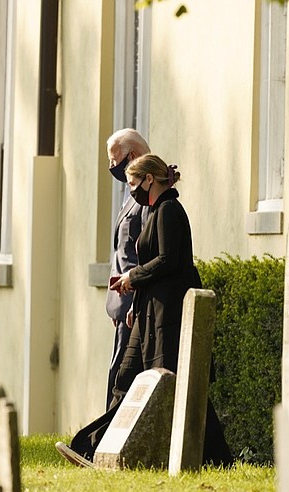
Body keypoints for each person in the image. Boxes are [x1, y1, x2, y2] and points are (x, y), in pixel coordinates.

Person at [56, 154, 232, 468]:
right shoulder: (156, 212)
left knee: (177, 384)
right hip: (148, 311)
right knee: (127, 378)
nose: (132, 190)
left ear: (149, 179)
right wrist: (135, 294)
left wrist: (131, 277)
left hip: (167, 314)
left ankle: (217, 459)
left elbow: (167, 260)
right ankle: (94, 448)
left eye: (134, 183)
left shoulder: (168, 211)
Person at [104, 128, 150, 409]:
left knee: (122, 377)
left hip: (135, 301)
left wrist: (134, 301)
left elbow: (144, 252)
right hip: (124, 304)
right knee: (120, 373)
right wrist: (114, 305)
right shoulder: (130, 193)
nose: (112, 167)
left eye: (114, 160)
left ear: (131, 156)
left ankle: (101, 441)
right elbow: (120, 251)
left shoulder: (147, 196)